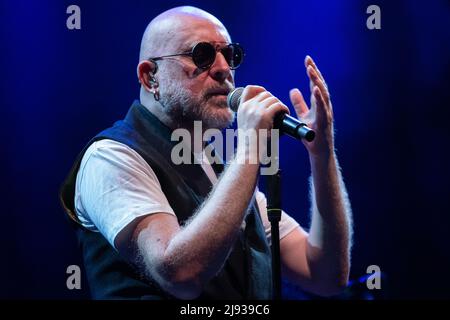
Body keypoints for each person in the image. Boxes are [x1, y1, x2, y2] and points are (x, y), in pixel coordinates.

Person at [60, 6, 352, 300]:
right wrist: (250, 147)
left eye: (231, 55)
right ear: (151, 77)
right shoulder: (112, 157)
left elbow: (325, 275)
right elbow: (179, 274)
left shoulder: (223, 171)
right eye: (202, 55)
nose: (224, 68)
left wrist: (322, 154)